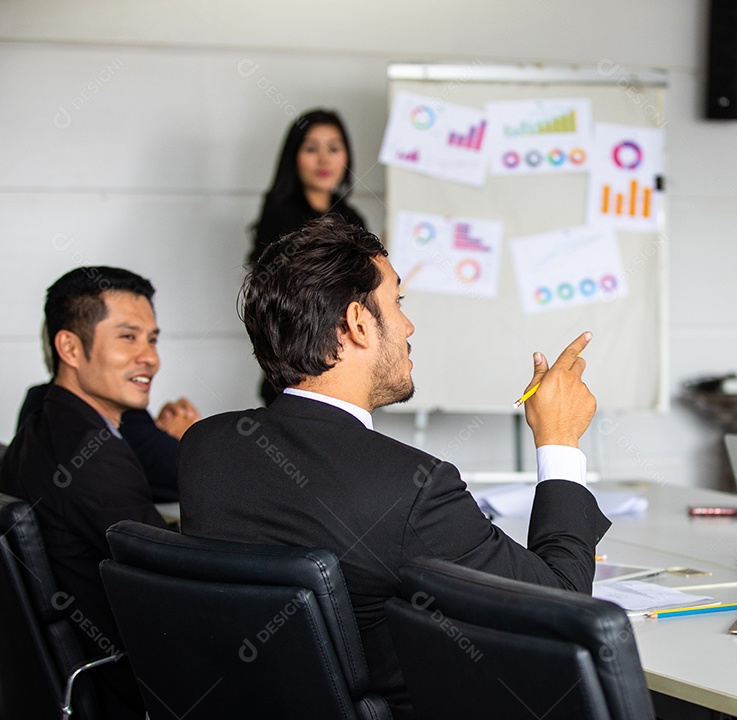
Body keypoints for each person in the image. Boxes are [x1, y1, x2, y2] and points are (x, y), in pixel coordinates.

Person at [179, 217, 609, 718]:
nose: (408, 326)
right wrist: (558, 440)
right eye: (397, 302)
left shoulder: (204, 448)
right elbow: (560, 606)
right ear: (359, 323)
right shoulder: (409, 489)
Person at [0, 266, 173, 719]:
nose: (149, 358)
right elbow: (177, 580)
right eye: (128, 337)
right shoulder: (92, 457)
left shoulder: (39, 428)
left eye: (152, 339)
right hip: (128, 688)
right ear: (70, 347)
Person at [250, 109, 367, 406]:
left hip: (348, 359)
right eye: (311, 148)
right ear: (294, 156)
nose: (324, 159)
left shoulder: (352, 218)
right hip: (298, 362)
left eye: (334, 148)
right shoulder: (279, 217)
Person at [17, 380, 199, 502]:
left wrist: (158, 434)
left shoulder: (37, 399)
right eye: (127, 337)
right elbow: (195, 477)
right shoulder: (117, 413)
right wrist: (193, 436)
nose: (151, 359)